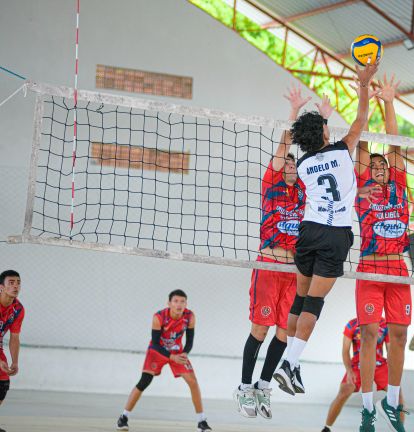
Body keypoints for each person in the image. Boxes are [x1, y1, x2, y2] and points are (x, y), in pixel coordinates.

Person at [274, 61, 380, 396]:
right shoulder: (342, 150)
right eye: (325, 127)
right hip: (334, 237)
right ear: (323, 134)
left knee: (300, 300)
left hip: (308, 232)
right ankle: (289, 364)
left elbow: (330, 182)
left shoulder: (303, 164)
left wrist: (310, 117)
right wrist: (363, 84)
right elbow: (362, 119)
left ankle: (293, 362)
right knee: (313, 306)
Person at [234, 85, 309, 419]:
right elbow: (282, 147)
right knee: (259, 330)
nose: (290, 166)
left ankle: (264, 386)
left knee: (283, 332)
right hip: (268, 262)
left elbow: (319, 159)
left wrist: (322, 121)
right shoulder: (271, 183)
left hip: (293, 271)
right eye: (286, 164)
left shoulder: (305, 192)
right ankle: (244, 387)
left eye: (294, 164)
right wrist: (293, 113)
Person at [353, 73, 411, 432]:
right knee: (372, 334)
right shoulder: (362, 190)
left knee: (401, 336)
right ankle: (367, 407)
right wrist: (364, 94)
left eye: (382, 165)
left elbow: (395, 146)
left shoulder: (399, 185)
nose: (378, 168)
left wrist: (388, 101)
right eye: (372, 166)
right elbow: (361, 143)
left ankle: (392, 400)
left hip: (398, 271)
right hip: (370, 270)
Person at [117, 290, 211, 432]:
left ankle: (201, 421)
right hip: (157, 351)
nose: (179, 304)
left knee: (193, 381)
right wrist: (171, 357)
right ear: (169, 303)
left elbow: (190, 341)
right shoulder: (159, 317)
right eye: (176, 301)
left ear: (186, 303)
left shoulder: (189, 316)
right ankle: (123, 417)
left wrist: (185, 353)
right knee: (144, 382)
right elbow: (155, 343)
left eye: (182, 301)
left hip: (176, 352)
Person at [322, 317, 405, 432]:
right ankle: (327, 427)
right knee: (344, 391)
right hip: (357, 365)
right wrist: (349, 370)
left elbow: (390, 349)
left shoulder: (384, 324)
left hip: (380, 364)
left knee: (397, 394)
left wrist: (393, 371)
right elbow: (345, 350)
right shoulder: (352, 325)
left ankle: (400, 427)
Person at [0, 269, 24, 432]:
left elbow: (14, 337)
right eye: (11, 283)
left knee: (3, 383)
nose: (16, 286)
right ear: (1, 287)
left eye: (18, 283)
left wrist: (15, 361)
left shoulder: (18, 309)